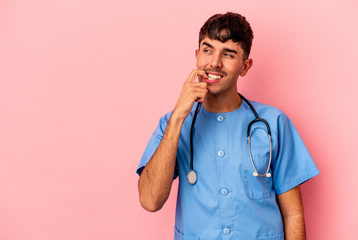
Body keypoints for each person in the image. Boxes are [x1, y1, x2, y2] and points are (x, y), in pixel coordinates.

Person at [136, 12, 319, 240]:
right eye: (207, 50)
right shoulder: (173, 123)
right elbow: (150, 201)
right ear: (196, 55)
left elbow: (293, 215)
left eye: (228, 54)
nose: (214, 62)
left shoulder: (274, 123)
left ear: (245, 66)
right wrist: (177, 119)